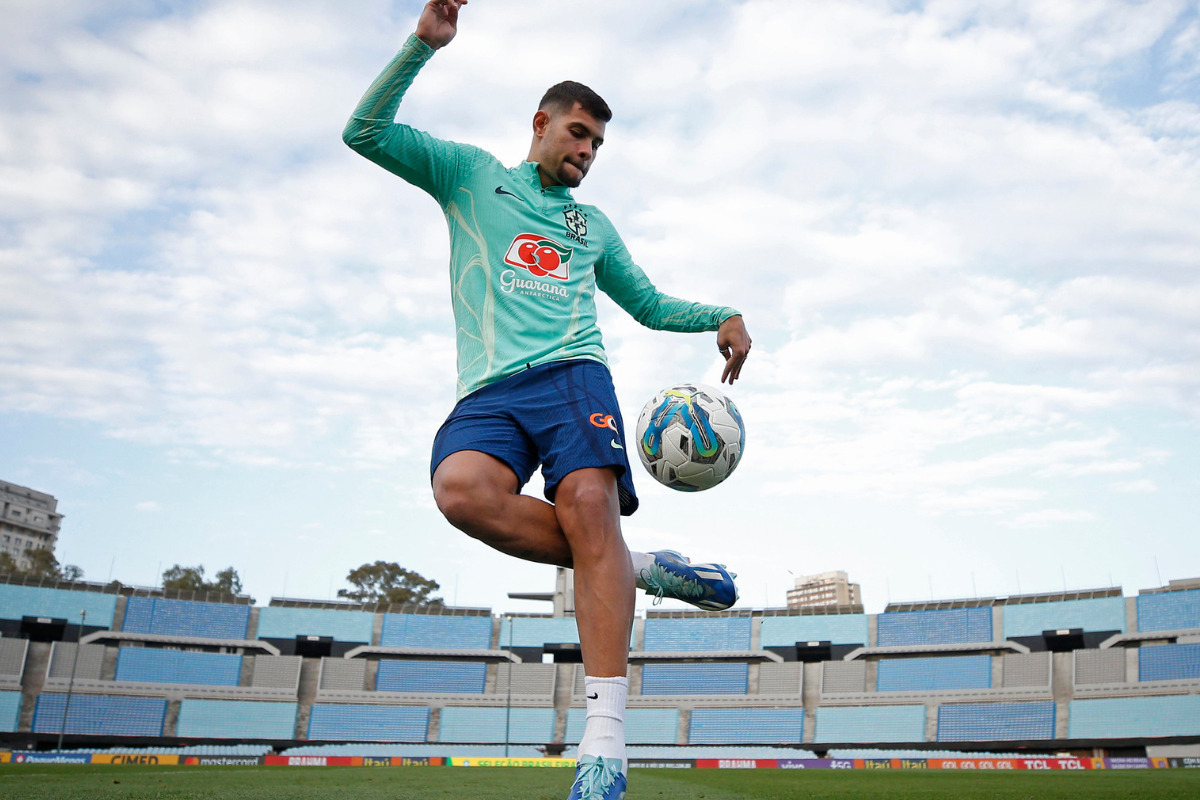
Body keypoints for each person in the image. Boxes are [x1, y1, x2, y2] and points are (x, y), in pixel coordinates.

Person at [343, 2, 752, 797]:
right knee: (460, 493)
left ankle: (603, 747)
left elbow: (647, 302)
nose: (589, 152)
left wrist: (719, 316)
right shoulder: (468, 175)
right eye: (578, 135)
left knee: (588, 511)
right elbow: (365, 132)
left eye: (598, 144)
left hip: (573, 375)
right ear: (541, 123)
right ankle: (642, 570)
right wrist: (422, 47)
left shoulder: (588, 225)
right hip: (490, 388)